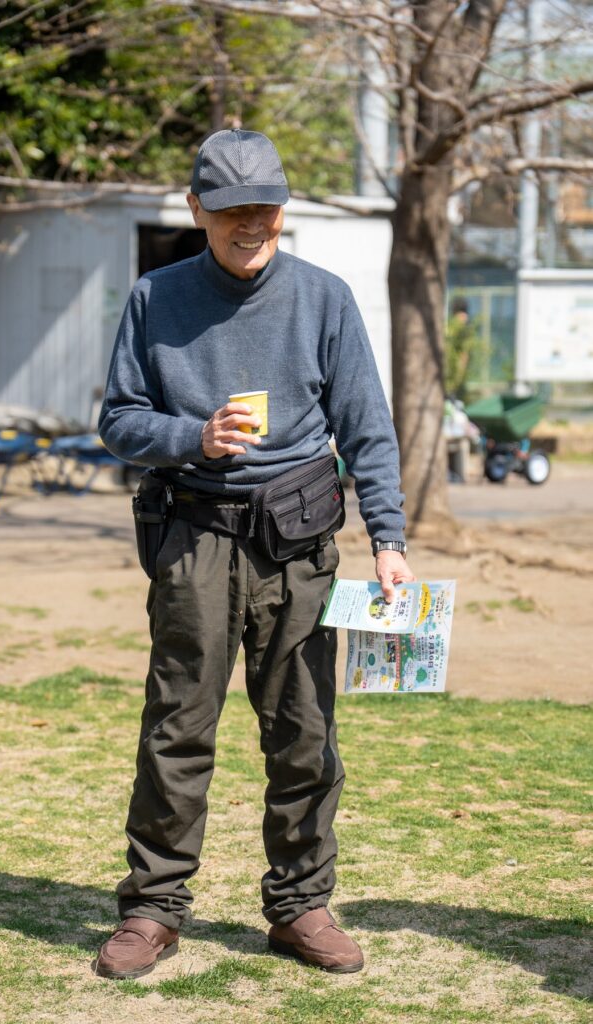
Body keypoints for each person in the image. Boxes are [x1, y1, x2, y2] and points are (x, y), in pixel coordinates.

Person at [94, 128, 414, 980]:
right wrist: (190, 436)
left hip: (298, 543)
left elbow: (366, 429)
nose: (250, 223)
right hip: (192, 534)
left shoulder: (324, 298)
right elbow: (118, 419)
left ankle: (301, 904)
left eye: (265, 207)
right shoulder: (155, 297)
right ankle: (153, 908)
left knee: (304, 731)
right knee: (177, 727)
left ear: (283, 208)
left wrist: (388, 540)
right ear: (196, 208)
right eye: (231, 208)